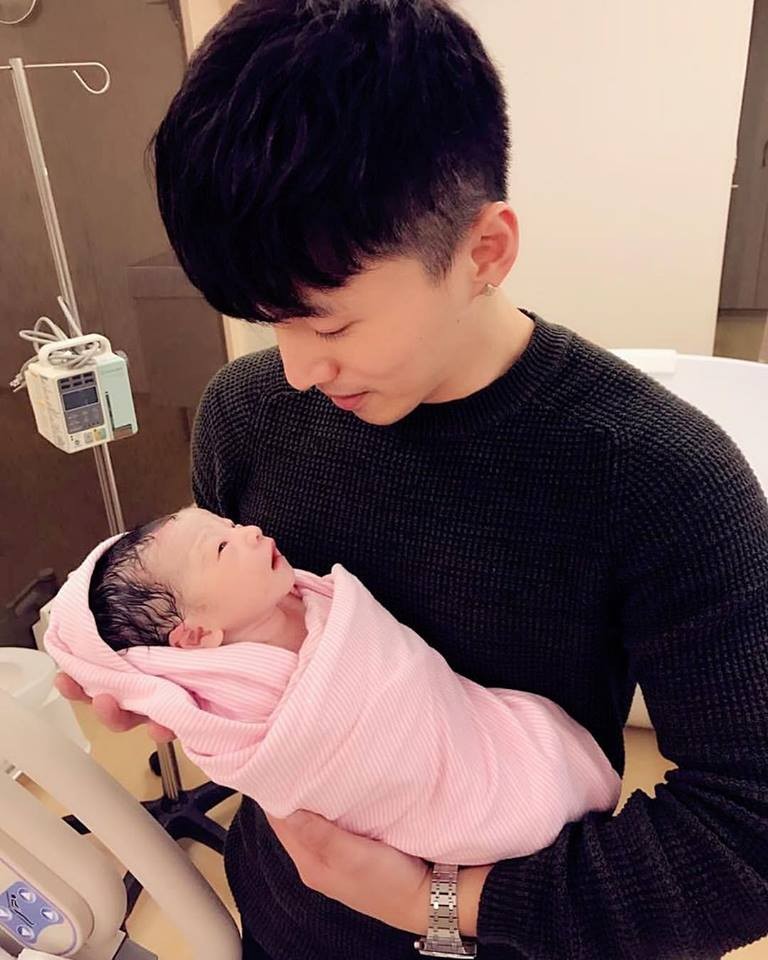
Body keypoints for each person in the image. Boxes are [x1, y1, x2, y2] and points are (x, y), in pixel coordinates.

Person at [57, 1, 768, 957]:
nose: (297, 371)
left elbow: (746, 839)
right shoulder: (247, 414)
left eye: (331, 322)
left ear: (483, 252)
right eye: (271, 322)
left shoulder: (661, 477)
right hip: (282, 926)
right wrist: (160, 680)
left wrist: (434, 904)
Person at [46, 506, 620, 865]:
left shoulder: (309, 599)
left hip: (469, 728)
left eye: (229, 525)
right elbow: (287, 752)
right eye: (221, 547)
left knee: (531, 746)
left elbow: (406, 673)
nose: (249, 530)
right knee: (509, 802)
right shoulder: (234, 704)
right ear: (196, 636)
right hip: (417, 801)